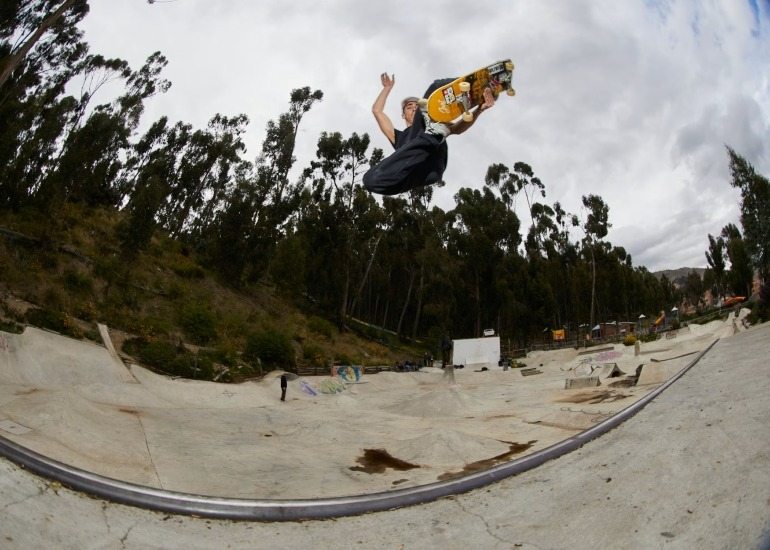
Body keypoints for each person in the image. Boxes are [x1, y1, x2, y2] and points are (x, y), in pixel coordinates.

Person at [363, 73, 496, 196]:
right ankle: (434, 136)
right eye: (409, 107)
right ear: (403, 115)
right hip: (411, 174)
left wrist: (479, 109)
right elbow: (377, 111)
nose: (414, 108)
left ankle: (476, 84)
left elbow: (456, 129)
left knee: (435, 88)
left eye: (416, 106)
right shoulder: (396, 136)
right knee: (369, 180)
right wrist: (387, 88)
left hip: (432, 166)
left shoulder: (435, 122)